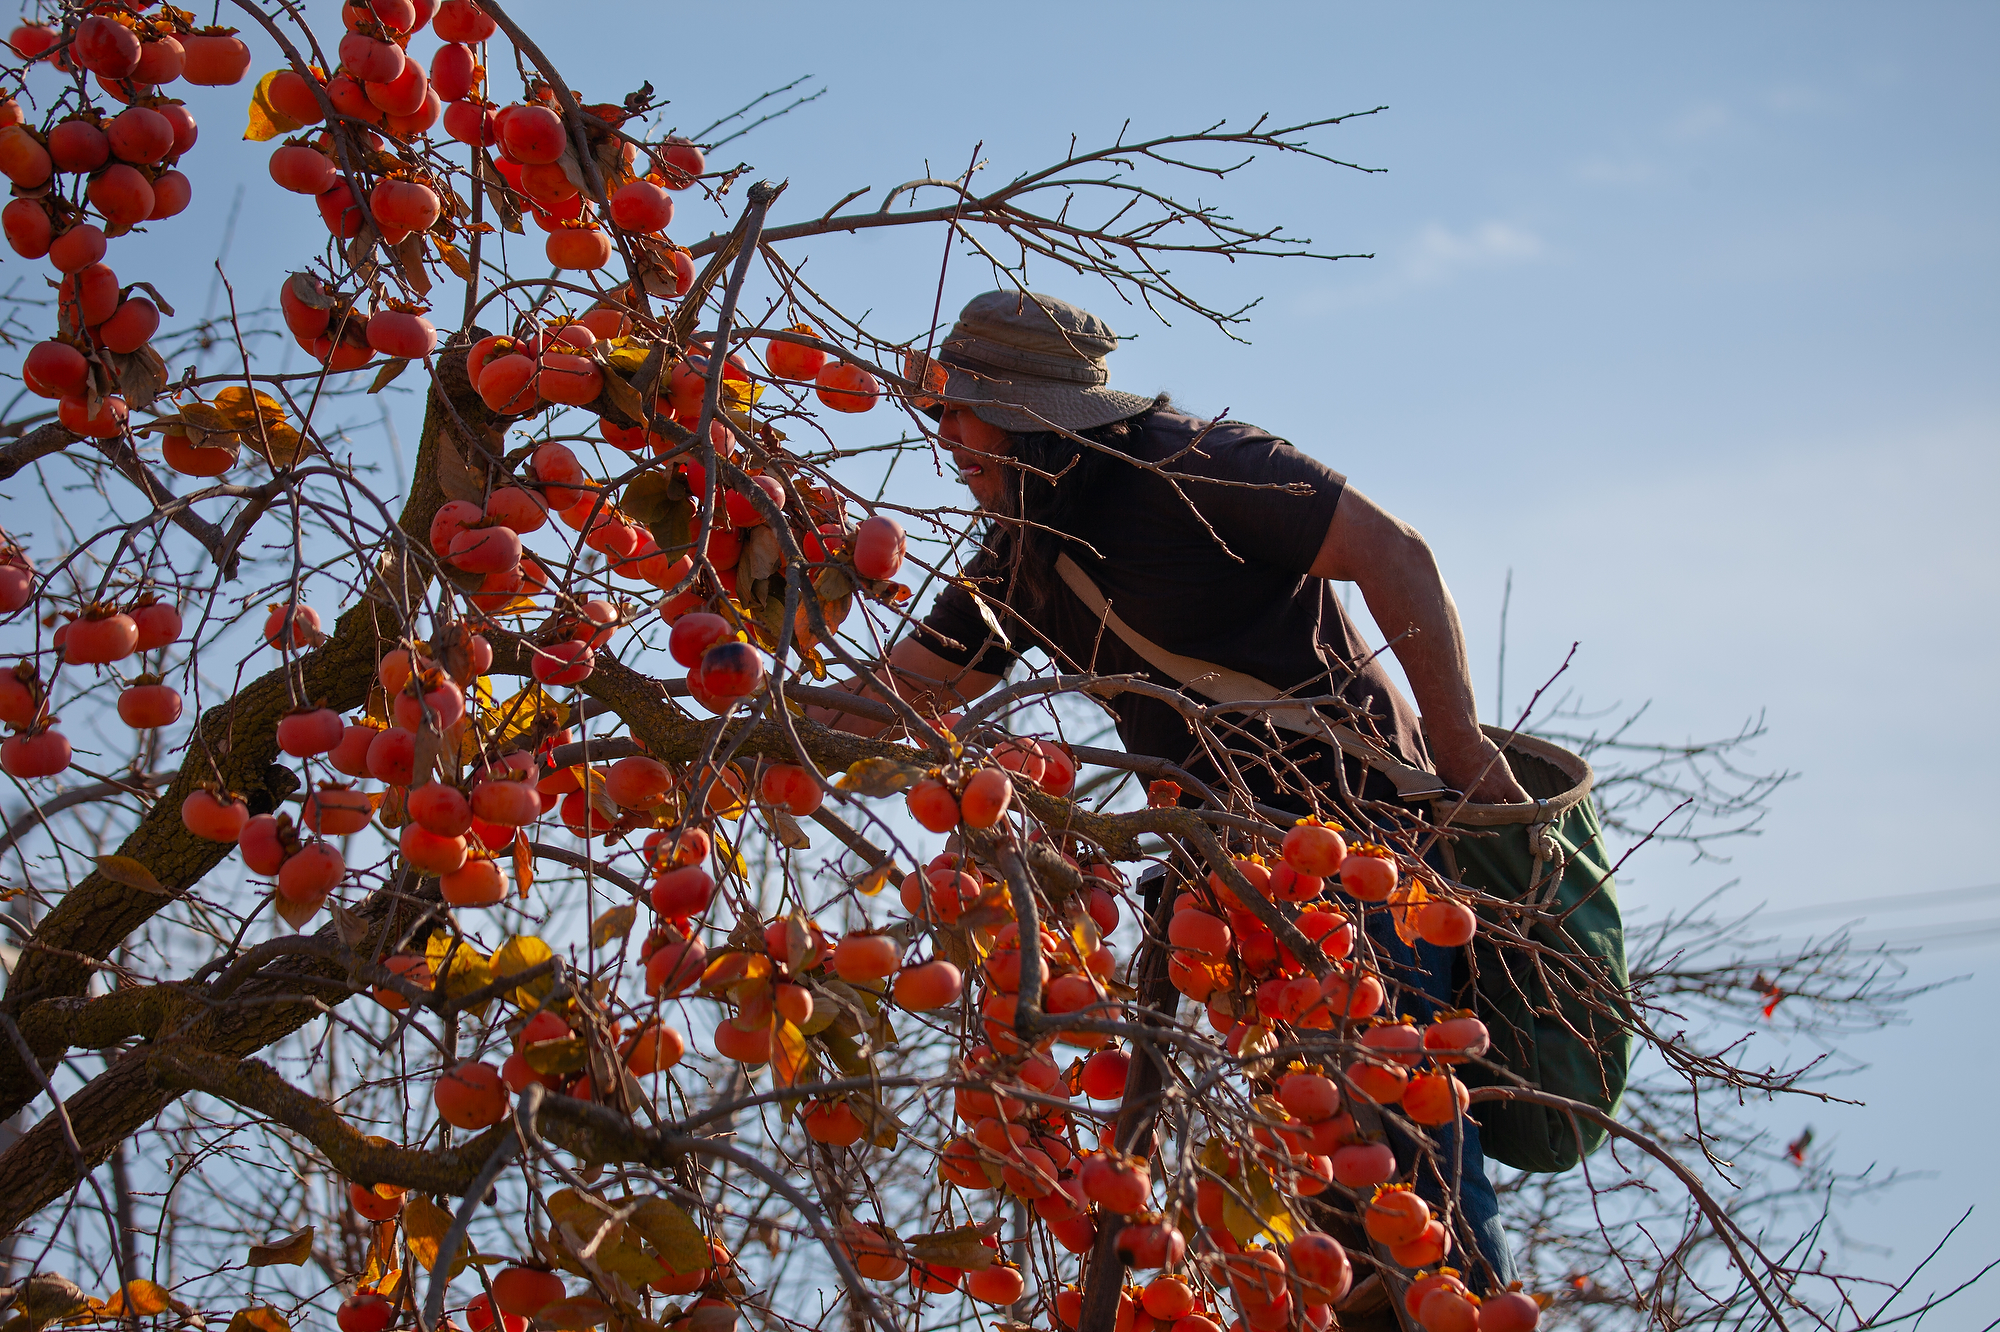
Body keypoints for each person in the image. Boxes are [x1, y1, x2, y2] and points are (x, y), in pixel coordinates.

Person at [807, 289, 1527, 1285]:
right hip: (1226, 895)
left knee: (1407, 1178)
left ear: (1023, 410)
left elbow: (1390, 553)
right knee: (1321, 1201)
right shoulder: (1018, 551)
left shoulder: (1192, 466)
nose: (944, 434)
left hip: (1357, 861)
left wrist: (1455, 744)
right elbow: (904, 696)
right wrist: (737, 720)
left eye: (957, 409)